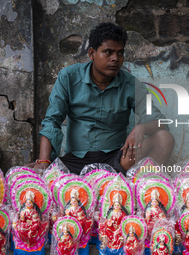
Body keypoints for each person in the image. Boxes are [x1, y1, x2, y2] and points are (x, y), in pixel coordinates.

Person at [33, 22, 174, 174]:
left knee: (164, 138)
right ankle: (101, 182)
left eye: (120, 53)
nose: (115, 58)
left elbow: (161, 122)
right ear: (92, 53)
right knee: (24, 173)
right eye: (108, 52)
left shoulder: (130, 84)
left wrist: (142, 127)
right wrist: (44, 162)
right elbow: (52, 121)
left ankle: (138, 188)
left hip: (117, 161)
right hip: (74, 162)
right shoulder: (69, 77)